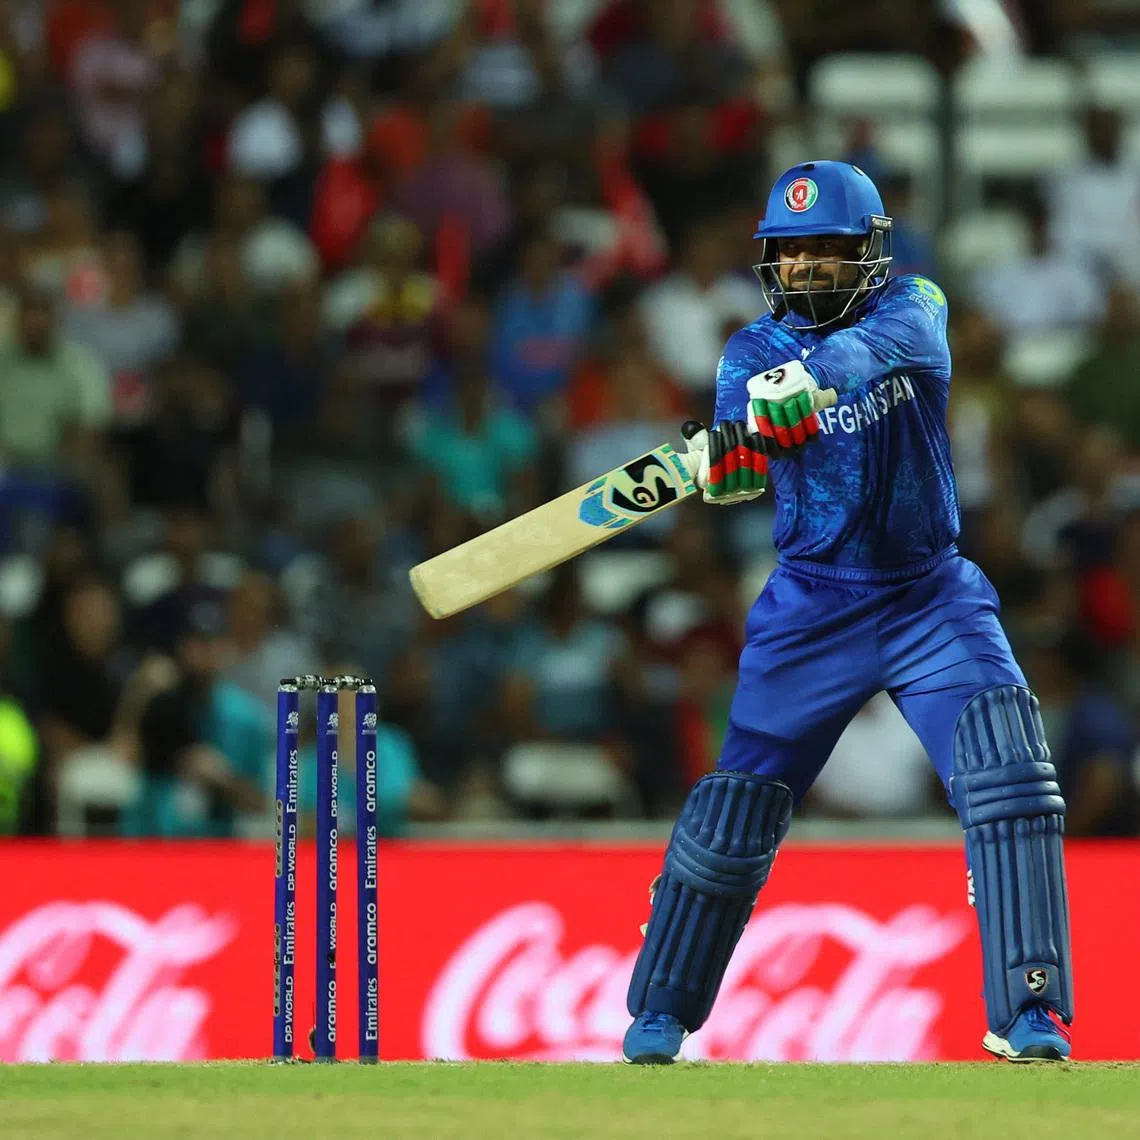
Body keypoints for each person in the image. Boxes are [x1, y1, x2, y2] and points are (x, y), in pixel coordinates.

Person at [622, 161, 1074, 1066]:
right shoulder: (747, 354)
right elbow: (742, 474)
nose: (811, 269)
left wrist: (809, 385)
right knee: (737, 812)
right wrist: (726, 459)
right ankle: (660, 1012)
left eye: (830, 251)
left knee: (1010, 776)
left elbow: (869, 354)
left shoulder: (917, 306)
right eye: (793, 255)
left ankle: (1028, 1011)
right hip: (811, 607)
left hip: (929, 593)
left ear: (870, 252)